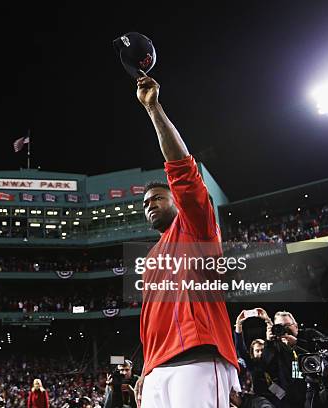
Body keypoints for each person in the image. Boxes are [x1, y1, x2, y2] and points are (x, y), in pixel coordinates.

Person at [132, 73, 239, 408]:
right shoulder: (151, 258)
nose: (149, 205)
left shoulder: (195, 226)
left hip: (199, 358)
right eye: (145, 203)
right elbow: (153, 320)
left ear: (177, 201)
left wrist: (153, 110)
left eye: (157, 198)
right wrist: (145, 369)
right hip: (157, 370)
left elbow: (181, 169)